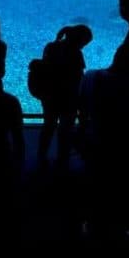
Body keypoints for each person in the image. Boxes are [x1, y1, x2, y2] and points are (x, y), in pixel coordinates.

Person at [34, 24, 91, 166]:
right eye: (84, 43)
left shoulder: (51, 47)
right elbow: (78, 77)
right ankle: (62, 160)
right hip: (68, 98)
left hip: (49, 95)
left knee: (48, 126)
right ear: (80, 40)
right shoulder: (76, 53)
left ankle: (41, 157)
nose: (83, 46)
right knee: (65, 130)